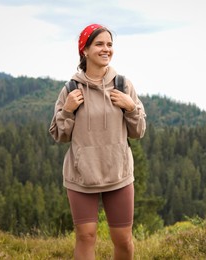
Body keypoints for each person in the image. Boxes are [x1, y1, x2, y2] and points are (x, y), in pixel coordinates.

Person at [49, 23, 146, 260]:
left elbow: (139, 131)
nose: (106, 49)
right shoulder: (71, 89)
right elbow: (58, 134)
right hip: (81, 176)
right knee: (86, 237)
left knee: (123, 240)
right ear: (85, 50)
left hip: (118, 174)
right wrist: (68, 110)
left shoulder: (123, 85)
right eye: (99, 44)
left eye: (110, 45)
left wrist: (131, 107)